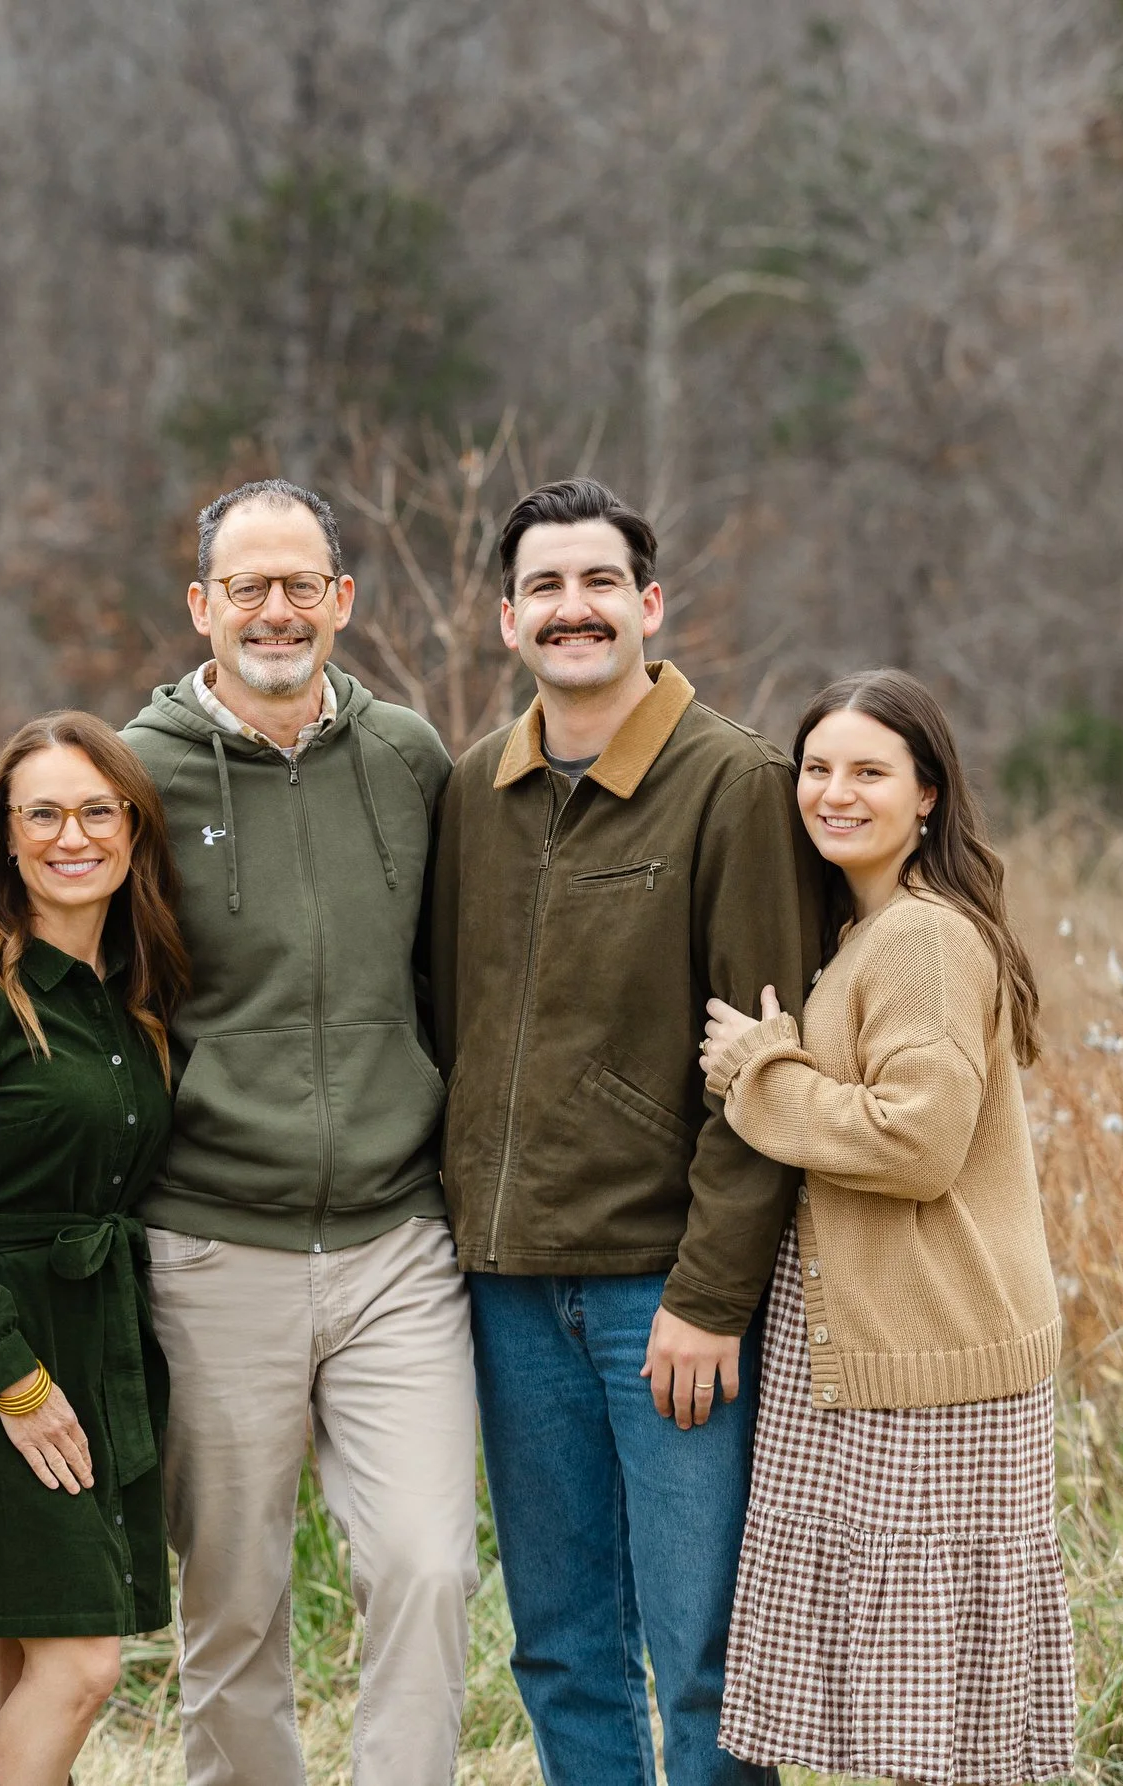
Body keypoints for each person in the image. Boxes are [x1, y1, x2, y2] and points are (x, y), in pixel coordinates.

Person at [429, 480, 816, 1786]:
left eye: (599, 582)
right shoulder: (474, 790)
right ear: (507, 618)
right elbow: (452, 1024)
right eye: (543, 586)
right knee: (559, 1647)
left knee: (705, 1651)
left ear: (649, 603)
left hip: (665, 1294)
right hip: (510, 1289)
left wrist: (710, 1295)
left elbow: (767, 1071)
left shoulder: (735, 783)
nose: (572, 608)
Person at [121, 478, 476, 1786]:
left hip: (396, 1243)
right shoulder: (134, 773)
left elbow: (454, 975)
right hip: (215, 1242)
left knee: (427, 1567)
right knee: (232, 1604)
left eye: (301, 584)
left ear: (343, 600)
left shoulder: (411, 760)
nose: (276, 609)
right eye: (247, 586)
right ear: (201, 604)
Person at [699, 669, 1075, 1785]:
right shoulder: (867, 930)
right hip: (885, 1353)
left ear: (928, 793)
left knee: (938, 1727)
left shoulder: (918, 939)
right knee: (921, 1714)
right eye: (817, 768)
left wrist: (759, 1076)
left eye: (869, 771)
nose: (835, 792)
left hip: (934, 1363)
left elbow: (920, 1141)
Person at [0, 712, 190, 1786]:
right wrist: (15, 1380)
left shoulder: (136, 998)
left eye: (97, 811)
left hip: (101, 1345)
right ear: (5, 837)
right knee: (82, 1664)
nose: (72, 836)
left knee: (32, 1654)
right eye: (42, 814)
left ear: (133, 828)